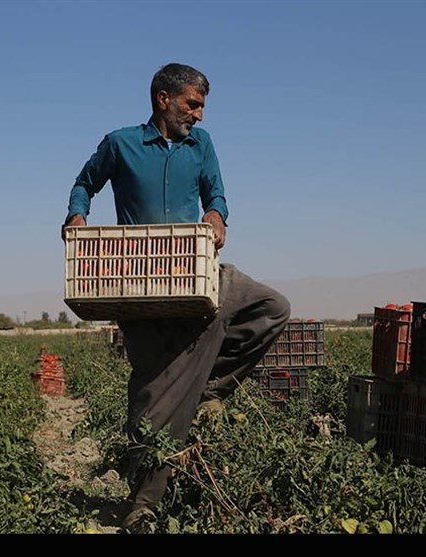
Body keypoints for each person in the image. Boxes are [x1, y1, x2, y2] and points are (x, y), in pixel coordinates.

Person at [62, 63, 290, 533]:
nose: (200, 115)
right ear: (163, 99)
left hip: (196, 271)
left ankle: (209, 387)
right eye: (193, 104)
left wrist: (216, 215)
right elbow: (86, 183)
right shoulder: (120, 143)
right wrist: (77, 215)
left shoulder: (201, 145)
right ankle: (143, 506)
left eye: (202, 105)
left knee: (270, 307)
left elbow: (217, 196)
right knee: (153, 394)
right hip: (139, 281)